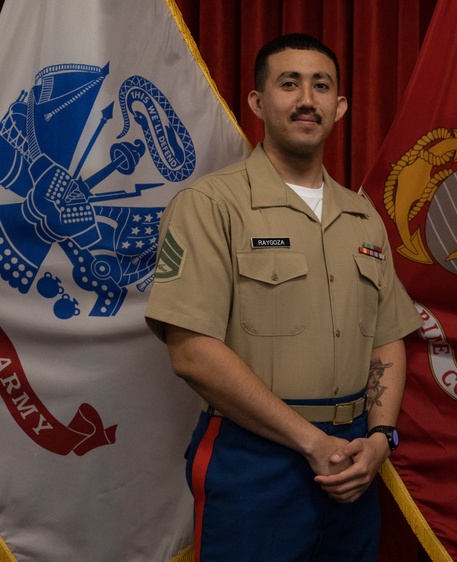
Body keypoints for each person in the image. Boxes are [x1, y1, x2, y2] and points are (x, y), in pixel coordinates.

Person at [145, 33, 422, 561]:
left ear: (339, 106)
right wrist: (311, 442)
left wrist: (381, 438)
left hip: (354, 460)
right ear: (257, 102)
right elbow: (190, 351)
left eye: (321, 86)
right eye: (288, 83)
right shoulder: (210, 205)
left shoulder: (363, 218)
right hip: (254, 459)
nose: (305, 99)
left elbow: (387, 341)